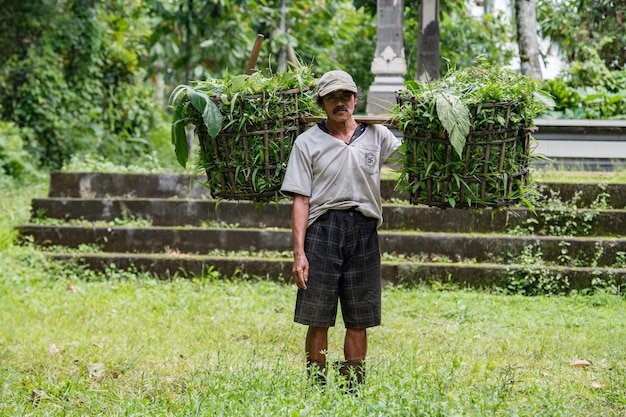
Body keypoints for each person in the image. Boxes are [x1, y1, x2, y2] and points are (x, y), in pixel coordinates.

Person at [280, 70, 402, 392]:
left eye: (345, 95)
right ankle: (318, 388)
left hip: (363, 229)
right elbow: (300, 199)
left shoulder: (376, 136)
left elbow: (412, 159)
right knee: (318, 315)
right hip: (322, 230)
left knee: (359, 317)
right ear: (321, 103)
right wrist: (299, 253)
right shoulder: (307, 142)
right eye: (332, 97)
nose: (340, 102)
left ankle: (352, 391)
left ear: (356, 99)